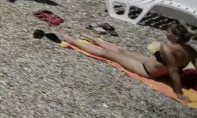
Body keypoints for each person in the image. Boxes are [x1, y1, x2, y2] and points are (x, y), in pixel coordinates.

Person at [58, 23, 196, 97]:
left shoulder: (167, 48)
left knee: (108, 54)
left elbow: (173, 71)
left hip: (147, 70)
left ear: (175, 36)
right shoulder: (191, 51)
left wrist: (178, 92)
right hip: (150, 62)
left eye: (169, 32)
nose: (166, 33)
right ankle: (95, 40)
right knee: (121, 51)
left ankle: (72, 41)